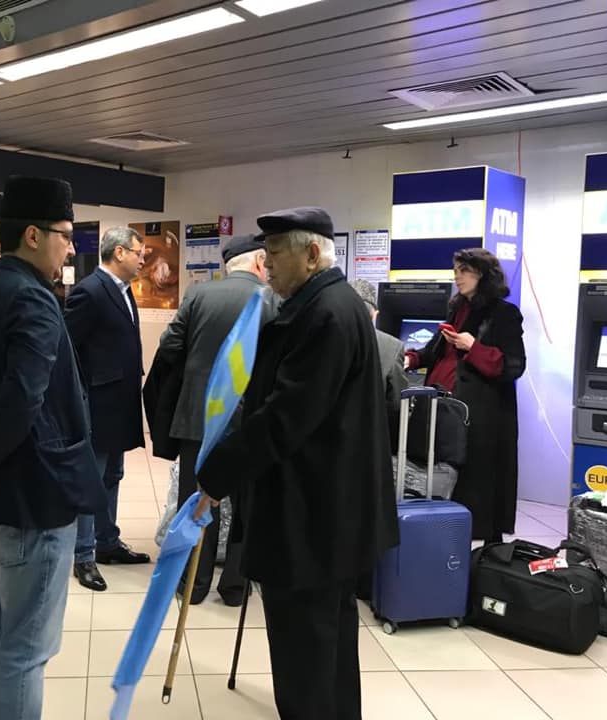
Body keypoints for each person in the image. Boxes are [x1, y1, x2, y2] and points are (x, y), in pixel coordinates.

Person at [196, 208, 399, 720]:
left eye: (275, 252)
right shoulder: (331, 304)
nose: (266, 263)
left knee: (304, 653)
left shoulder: (325, 315)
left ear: (311, 254)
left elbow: (284, 418)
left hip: (311, 516)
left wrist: (216, 474)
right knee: (328, 643)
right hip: (328, 512)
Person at [0, 176, 106, 720]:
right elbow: (24, 399)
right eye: (66, 236)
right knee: (27, 646)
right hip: (34, 497)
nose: (70, 250)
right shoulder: (33, 298)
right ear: (33, 235)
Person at [155, 233, 278, 606]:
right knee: (244, 504)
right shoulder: (270, 300)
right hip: (248, 421)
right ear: (259, 262)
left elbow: (169, 344)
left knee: (195, 500)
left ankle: (192, 584)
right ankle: (235, 587)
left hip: (198, 415)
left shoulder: (198, 294)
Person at [404, 248, 525, 543]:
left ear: (483, 275)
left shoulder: (504, 314)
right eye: (456, 271)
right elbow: (435, 351)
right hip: (444, 409)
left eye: (464, 271)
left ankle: (480, 546)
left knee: (479, 486)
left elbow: (513, 365)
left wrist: (474, 347)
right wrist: (410, 359)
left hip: (481, 416)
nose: (457, 277)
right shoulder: (458, 310)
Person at [65, 226, 149, 593]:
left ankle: (107, 542)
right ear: (119, 253)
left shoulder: (123, 290)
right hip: (97, 406)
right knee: (92, 480)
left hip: (120, 403)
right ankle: (83, 555)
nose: (142, 260)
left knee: (113, 475)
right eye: (138, 253)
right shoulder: (90, 291)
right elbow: (67, 349)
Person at [347, 278, 408, 446]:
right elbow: (397, 403)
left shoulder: (323, 338)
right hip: (370, 441)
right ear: (375, 314)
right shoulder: (393, 346)